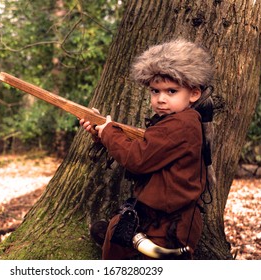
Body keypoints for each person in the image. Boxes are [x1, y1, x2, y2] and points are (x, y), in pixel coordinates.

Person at [80, 38, 215, 260]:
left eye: (171, 91)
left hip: (169, 224)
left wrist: (109, 132)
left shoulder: (182, 123)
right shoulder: (172, 120)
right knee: (117, 234)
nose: (161, 99)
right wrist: (101, 132)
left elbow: (137, 157)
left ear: (194, 94)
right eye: (155, 91)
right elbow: (146, 147)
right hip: (149, 216)